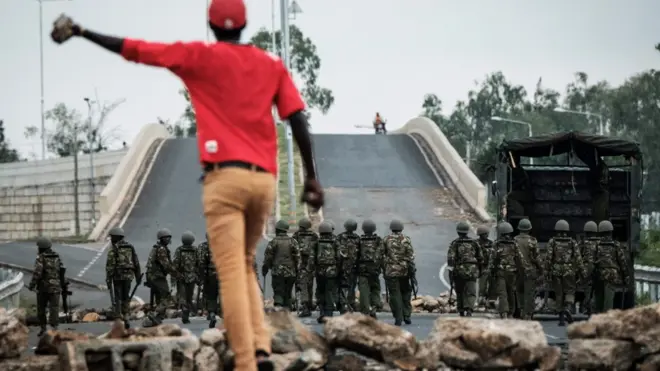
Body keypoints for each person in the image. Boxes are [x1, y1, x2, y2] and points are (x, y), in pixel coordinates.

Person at [49, 0, 324, 368]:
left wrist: (84, 32)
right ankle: (259, 348)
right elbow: (297, 120)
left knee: (230, 272)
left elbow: (137, 50)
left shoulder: (198, 57)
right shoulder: (269, 64)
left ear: (210, 24)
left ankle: (246, 363)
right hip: (263, 182)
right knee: (244, 263)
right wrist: (311, 177)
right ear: (244, 25)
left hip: (224, 179)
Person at [545, 220, 584, 326]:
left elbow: (548, 258)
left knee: (559, 294)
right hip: (569, 270)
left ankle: (561, 319)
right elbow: (578, 258)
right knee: (570, 291)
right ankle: (567, 308)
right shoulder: (572, 242)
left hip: (556, 270)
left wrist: (546, 271)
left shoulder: (552, 242)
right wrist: (582, 271)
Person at [105, 227, 140, 328]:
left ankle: (119, 316)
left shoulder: (114, 249)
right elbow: (136, 262)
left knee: (118, 297)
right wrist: (138, 276)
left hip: (117, 277)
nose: (111, 239)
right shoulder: (130, 247)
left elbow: (110, 266)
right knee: (126, 296)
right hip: (129, 276)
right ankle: (127, 316)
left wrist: (108, 279)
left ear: (116, 237)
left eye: (112, 237)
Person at [28, 237, 64, 336]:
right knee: (54, 308)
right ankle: (55, 327)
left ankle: (43, 328)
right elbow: (61, 270)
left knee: (41, 308)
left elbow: (37, 273)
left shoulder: (40, 257)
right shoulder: (56, 256)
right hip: (56, 287)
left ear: (41, 248)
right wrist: (62, 284)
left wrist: (32, 285)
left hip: (44, 288)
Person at [383, 219, 416, 325]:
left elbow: (382, 255)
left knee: (394, 293)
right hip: (404, 271)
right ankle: (407, 315)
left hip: (391, 271)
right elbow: (411, 256)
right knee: (406, 291)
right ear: (401, 228)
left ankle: (398, 317)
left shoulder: (386, 239)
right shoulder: (406, 239)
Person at [447, 221, 483, 317]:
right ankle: (469, 309)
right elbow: (480, 257)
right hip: (472, 270)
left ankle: (461, 309)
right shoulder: (474, 242)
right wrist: (479, 269)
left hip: (459, 270)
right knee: (471, 291)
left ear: (458, 232)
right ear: (467, 231)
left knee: (460, 291)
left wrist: (451, 272)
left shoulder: (455, 243)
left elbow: (450, 258)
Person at [262, 220, 300, 310]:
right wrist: (297, 270)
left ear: (277, 230)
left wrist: (265, 268)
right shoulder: (293, 242)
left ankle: (279, 310)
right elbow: (298, 258)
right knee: (288, 292)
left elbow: (268, 258)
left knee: (278, 292)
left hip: (277, 272)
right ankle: (288, 312)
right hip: (291, 272)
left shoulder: (273, 242)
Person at [144, 228, 179, 327]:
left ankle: (158, 318)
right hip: (157, 276)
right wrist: (177, 275)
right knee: (167, 295)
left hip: (153, 276)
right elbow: (166, 265)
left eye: (168, 238)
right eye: (165, 238)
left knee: (159, 298)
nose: (167, 239)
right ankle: (155, 314)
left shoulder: (157, 247)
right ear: (161, 239)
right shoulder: (161, 249)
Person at [593, 220, 629, 313]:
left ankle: (598, 313)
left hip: (600, 273)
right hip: (612, 274)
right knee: (609, 297)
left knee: (599, 296)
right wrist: (626, 276)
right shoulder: (616, 245)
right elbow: (622, 262)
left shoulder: (596, 245)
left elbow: (592, 260)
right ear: (611, 231)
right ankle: (606, 315)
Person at [491, 222, 524, 319]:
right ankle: (511, 312)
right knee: (511, 292)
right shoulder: (514, 244)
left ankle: (504, 312)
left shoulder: (496, 244)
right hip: (512, 272)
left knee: (502, 293)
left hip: (500, 271)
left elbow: (492, 259)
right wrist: (521, 270)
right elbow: (520, 258)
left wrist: (490, 270)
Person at [312, 222, 341, 323]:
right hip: (332, 272)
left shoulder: (316, 242)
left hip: (320, 272)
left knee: (320, 292)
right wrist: (339, 269)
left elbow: (312, 258)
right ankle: (329, 314)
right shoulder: (335, 242)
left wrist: (312, 269)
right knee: (329, 292)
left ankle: (322, 312)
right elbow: (339, 257)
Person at [514, 219, 542, 320]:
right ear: (529, 229)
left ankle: (521, 310)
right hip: (530, 271)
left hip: (517, 272)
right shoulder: (533, 241)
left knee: (519, 291)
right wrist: (541, 270)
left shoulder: (514, 240)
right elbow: (537, 258)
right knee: (529, 293)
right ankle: (528, 314)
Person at [356, 219, 384, 318]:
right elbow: (381, 255)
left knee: (364, 290)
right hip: (375, 270)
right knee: (375, 289)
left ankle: (365, 311)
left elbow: (356, 255)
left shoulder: (359, 240)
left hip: (362, 270)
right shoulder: (378, 240)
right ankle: (375, 307)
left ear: (363, 229)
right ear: (374, 229)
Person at [292, 218, 318, 317]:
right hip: (311, 265)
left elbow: (293, 250)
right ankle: (309, 304)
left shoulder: (296, 235)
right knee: (310, 285)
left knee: (303, 286)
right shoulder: (314, 236)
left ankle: (306, 307)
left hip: (301, 265)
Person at [335, 219, 360, 313]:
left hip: (342, 267)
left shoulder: (340, 237)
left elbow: (336, 252)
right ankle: (350, 303)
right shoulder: (357, 238)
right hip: (353, 267)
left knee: (342, 286)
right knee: (352, 286)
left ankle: (343, 305)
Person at [173, 231, 198, 324]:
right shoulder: (195, 250)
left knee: (183, 296)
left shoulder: (179, 250)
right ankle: (187, 313)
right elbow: (199, 264)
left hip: (181, 277)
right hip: (192, 277)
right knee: (189, 296)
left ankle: (185, 312)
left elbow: (175, 264)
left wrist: (175, 276)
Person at [197, 233, 220, 328]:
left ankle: (212, 314)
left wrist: (201, 277)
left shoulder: (203, 246)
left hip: (210, 274)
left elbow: (201, 263)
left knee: (211, 295)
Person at [578, 221, 599, 315]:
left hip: (586, 268)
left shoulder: (583, 242)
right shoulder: (600, 242)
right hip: (598, 267)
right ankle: (593, 306)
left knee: (587, 288)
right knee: (596, 289)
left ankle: (587, 305)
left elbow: (578, 255)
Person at [475, 225, 494, 306]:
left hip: (488, 266)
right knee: (482, 285)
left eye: (487, 233)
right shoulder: (475, 243)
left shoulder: (491, 243)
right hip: (479, 266)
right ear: (480, 234)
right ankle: (481, 299)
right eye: (485, 234)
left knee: (491, 284)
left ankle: (489, 300)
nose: (487, 235)